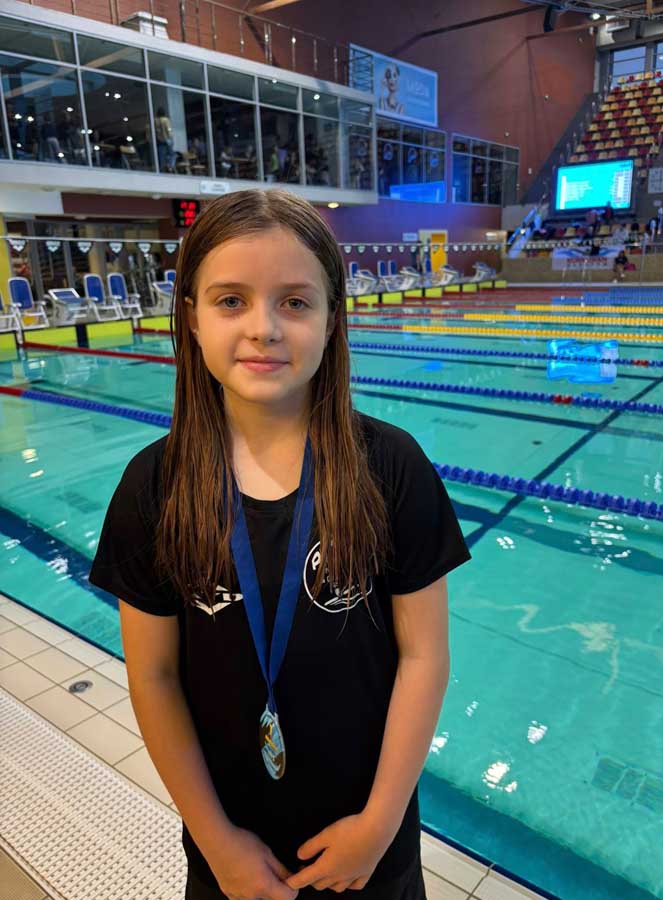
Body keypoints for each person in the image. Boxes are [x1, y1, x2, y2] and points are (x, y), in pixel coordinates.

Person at [88, 188, 471, 900]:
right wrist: (217, 842)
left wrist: (379, 823)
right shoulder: (155, 485)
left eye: (294, 302)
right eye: (231, 300)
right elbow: (154, 678)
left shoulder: (391, 468)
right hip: (229, 849)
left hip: (371, 847)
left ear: (331, 320)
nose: (262, 328)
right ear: (191, 318)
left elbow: (424, 657)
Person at [155, 106, 176, 172]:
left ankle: (162, 168)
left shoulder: (155, 121)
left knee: (162, 156)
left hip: (160, 140)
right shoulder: (165, 120)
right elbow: (168, 129)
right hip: (167, 139)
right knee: (172, 154)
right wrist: (171, 136)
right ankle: (170, 166)